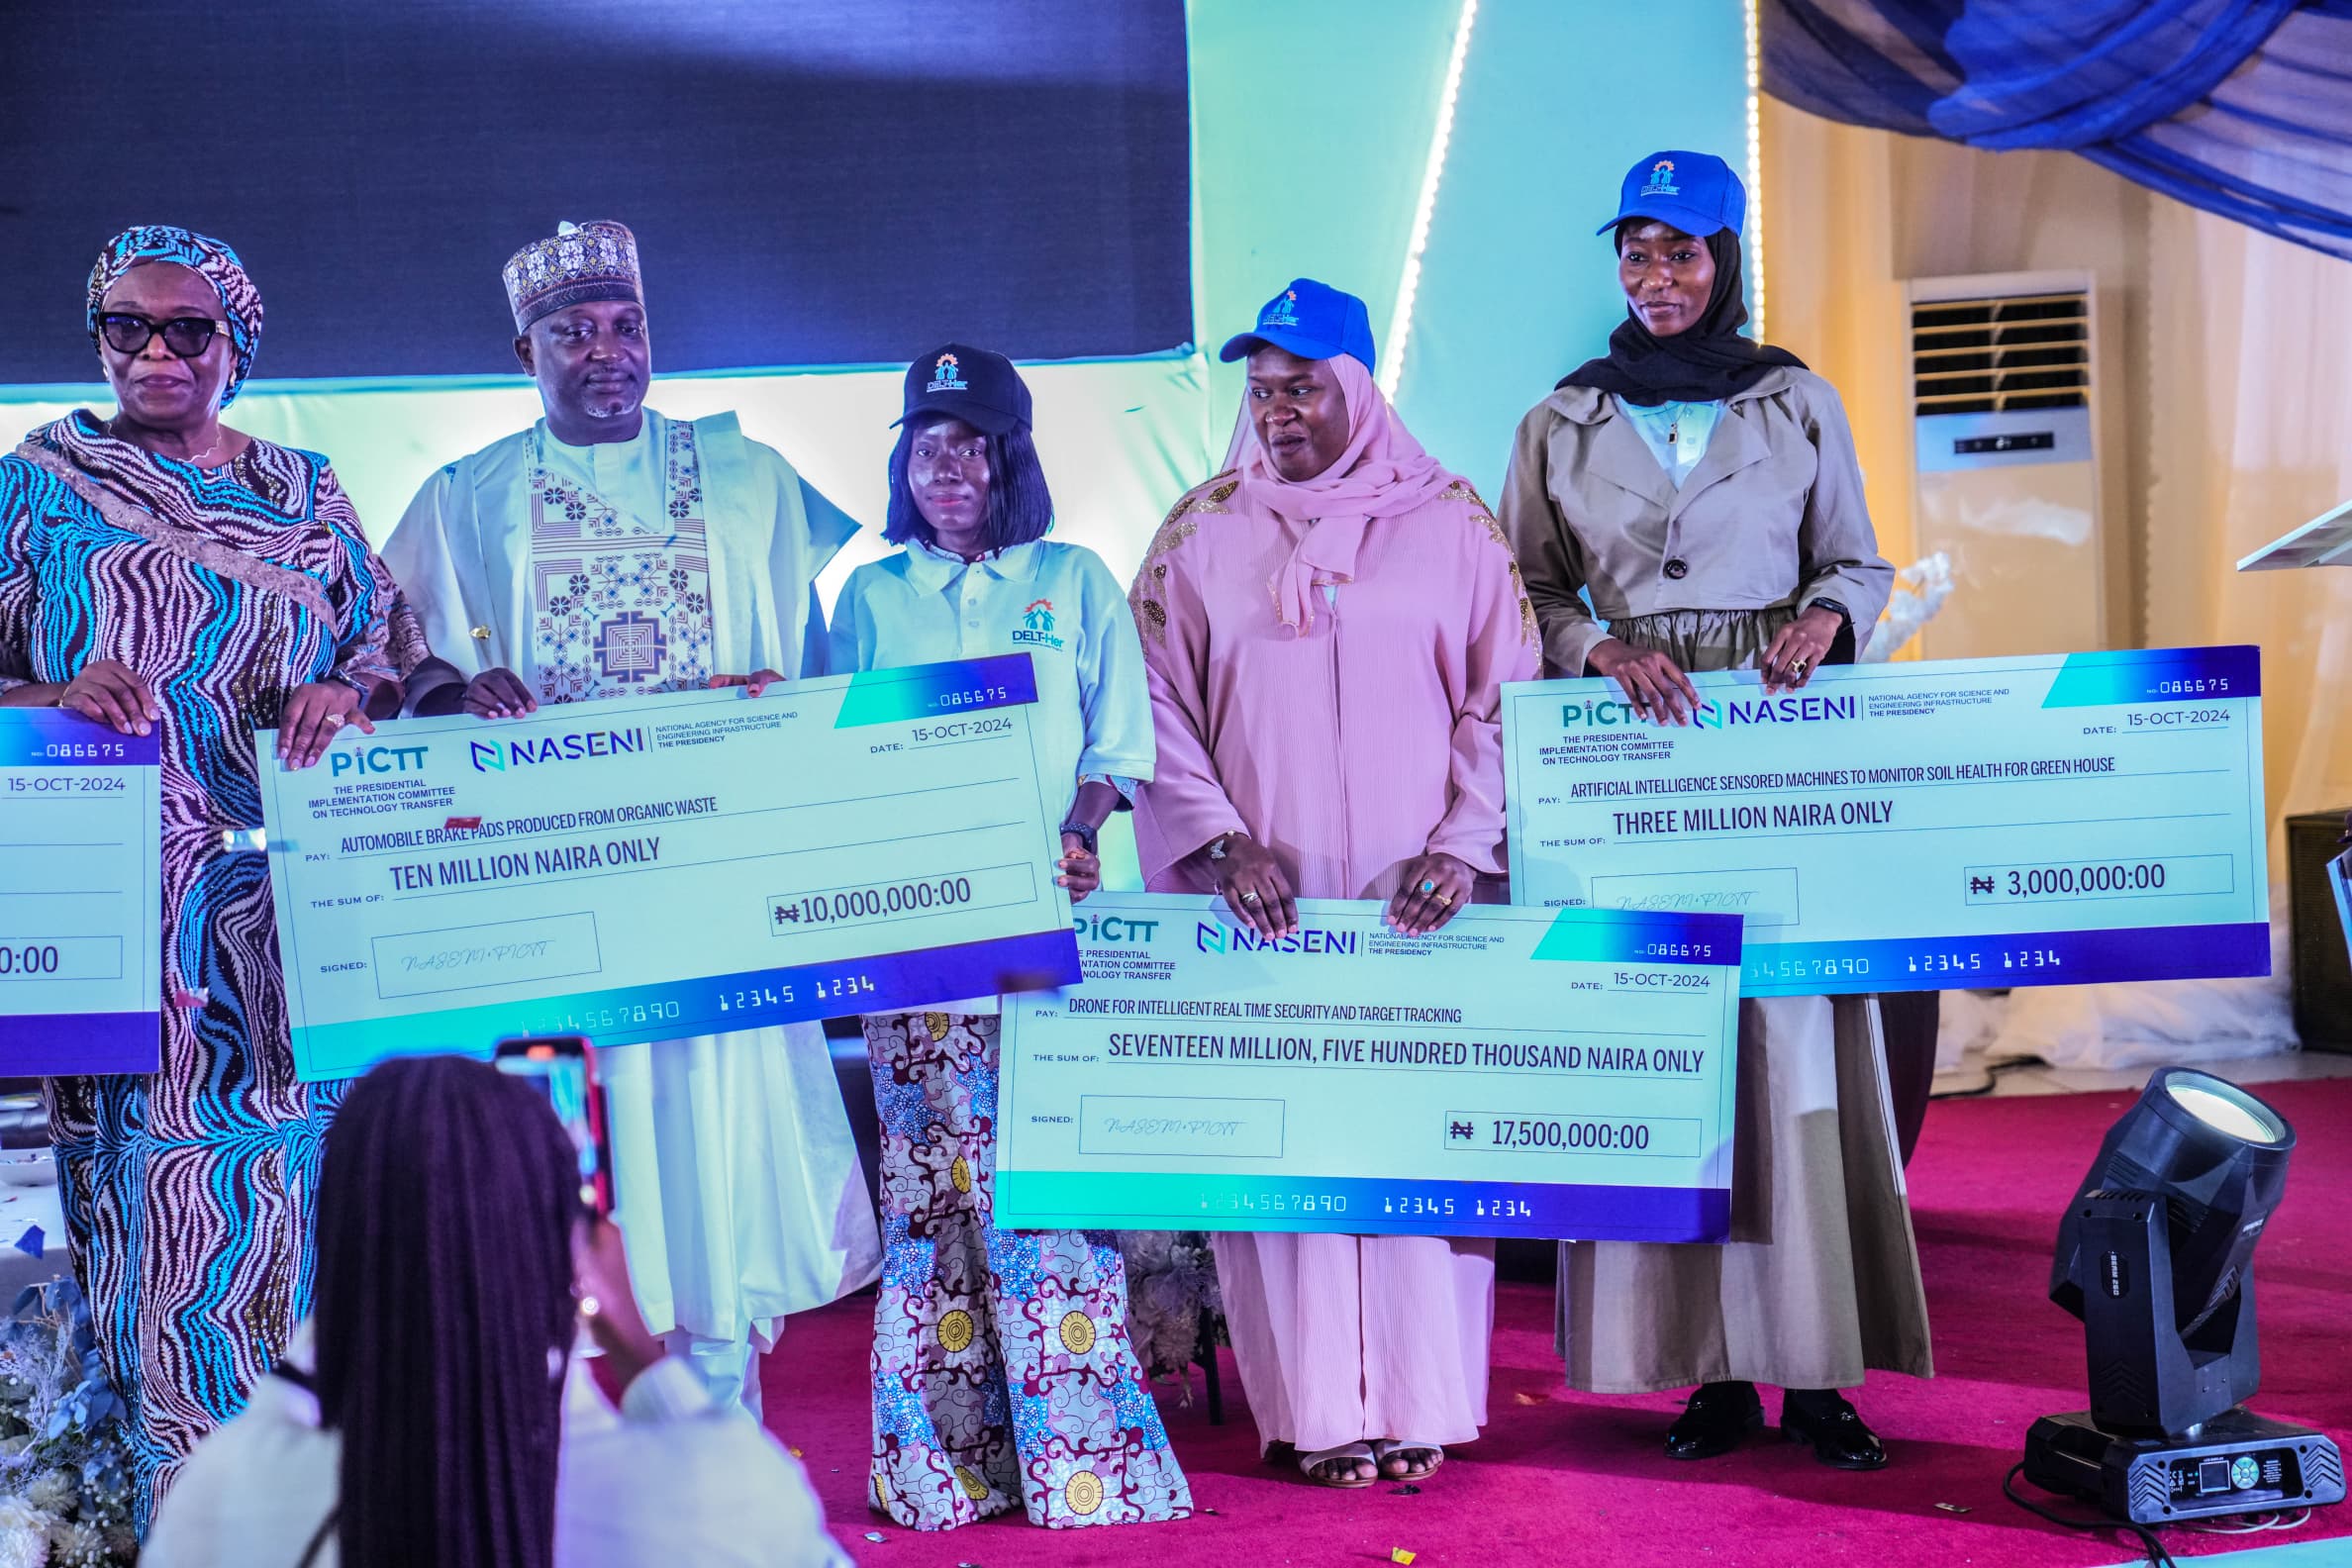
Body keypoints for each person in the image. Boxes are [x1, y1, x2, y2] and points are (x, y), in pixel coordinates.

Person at [381, 221, 879, 1419]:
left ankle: (719, 1425)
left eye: (626, 327)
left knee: (722, 1141)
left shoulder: (748, 476)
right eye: (573, 333)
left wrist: (782, 715)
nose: (606, 352)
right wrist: (455, 689)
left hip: (717, 884)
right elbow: (395, 648)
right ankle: (560, 1444)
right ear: (524, 350)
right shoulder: (467, 497)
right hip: (566, 899)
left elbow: (813, 666)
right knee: (574, 1137)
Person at [1498, 150, 1930, 1468]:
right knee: (1671, 1050)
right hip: (1634, 767)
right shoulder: (1560, 420)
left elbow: (1860, 559)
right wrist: (1597, 652)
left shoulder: (1795, 401)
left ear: (1725, 260)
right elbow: (1523, 588)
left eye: (1683, 252)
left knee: (1792, 1048)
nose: (1659, 276)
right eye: (1637, 253)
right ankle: (1705, 1373)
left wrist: (1819, 617)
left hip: (1772, 761)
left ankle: (1812, 1374)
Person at [0, 226, 429, 1519]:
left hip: (298, 933)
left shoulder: (308, 493)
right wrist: (48, 689)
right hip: (130, 943)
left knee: (311, 1245)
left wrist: (339, 699)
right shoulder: (40, 485)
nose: (154, 351)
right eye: (125, 325)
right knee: (159, 1254)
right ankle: (187, 1532)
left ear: (239, 342)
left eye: (186, 327)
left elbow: (394, 662)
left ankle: (320, 1527)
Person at [1129, 280, 1537, 1488]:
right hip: (1273, 912)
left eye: (1301, 388)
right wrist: (1215, 844)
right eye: (1259, 393)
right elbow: (1155, 704)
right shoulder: (1200, 532)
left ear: (1357, 387)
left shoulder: (1454, 523)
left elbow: (1503, 695)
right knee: (1290, 1148)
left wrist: (1463, 845)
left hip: (1419, 907)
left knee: (1418, 1143)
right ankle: (1310, 1415)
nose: (1278, 415)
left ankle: (1421, 1404)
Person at [831, 344, 1189, 1531]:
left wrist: (1084, 835)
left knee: (1043, 1184)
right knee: (932, 1197)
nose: (947, 468)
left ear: (1010, 458)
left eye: (970, 444)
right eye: (927, 445)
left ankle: (1083, 1464)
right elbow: (835, 762)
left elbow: (1117, 747)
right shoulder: (871, 597)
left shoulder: (1076, 579)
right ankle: (945, 1471)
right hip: (918, 946)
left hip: (1048, 927)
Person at [142, 1054, 845, 1567]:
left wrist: (372, 1282)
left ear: (337, 1236)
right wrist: (633, 1348)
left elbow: (278, 1417)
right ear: (570, 1242)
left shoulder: (227, 1496)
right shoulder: (715, 1496)